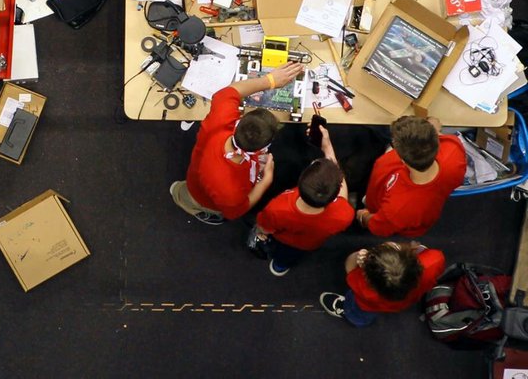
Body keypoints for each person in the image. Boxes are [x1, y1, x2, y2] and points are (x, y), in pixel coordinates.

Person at [169, 62, 303, 224]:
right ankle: (192, 204)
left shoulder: (221, 120)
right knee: (197, 199)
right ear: (264, 148)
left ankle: (179, 191)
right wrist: (266, 180)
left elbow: (229, 92)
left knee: (185, 189)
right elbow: (235, 212)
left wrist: (269, 80)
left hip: (196, 175)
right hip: (203, 196)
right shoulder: (230, 191)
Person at [251, 126, 354, 277]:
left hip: (283, 238)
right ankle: (280, 266)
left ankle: (280, 263)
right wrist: (328, 147)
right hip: (307, 244)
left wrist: (260, 232)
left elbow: (264, 227)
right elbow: (342, 189)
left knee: (282, 251)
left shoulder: (278, 207)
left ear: (300, 179)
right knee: (290, 256)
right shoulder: (344, 213)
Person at [357, 114, 466, 237]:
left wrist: (363, 216)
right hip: (423, 212)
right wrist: (432, 129)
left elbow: (378, 227)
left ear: (400, 158)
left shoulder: (397, 208)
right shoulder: (453, 150)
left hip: (392, 219)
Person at [320, 241, 446, 327]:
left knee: (360, 310)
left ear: (368, 277)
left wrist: (358, 256)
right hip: (407, 299)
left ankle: (354, 317)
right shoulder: (435, 260)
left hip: (372, 304)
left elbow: (349, 266)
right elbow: (425, 251)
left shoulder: (366, 290)